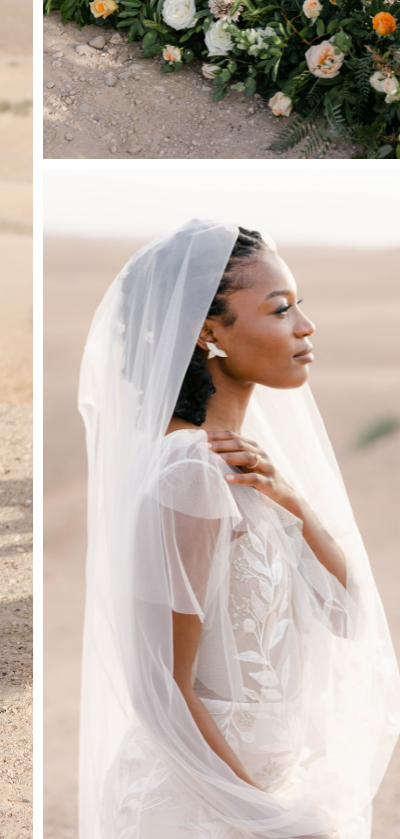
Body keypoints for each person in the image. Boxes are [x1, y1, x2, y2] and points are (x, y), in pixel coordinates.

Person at [78, 219, 400, 839]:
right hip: (194, 810)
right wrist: (265, 819)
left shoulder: (245, 469)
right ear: (207, 332)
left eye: (299, 306)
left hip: (253, 798)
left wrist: (293, 502)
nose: (305, 327)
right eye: (281, 310)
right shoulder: (188, 474)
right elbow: (160, 688)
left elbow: (349, 614)